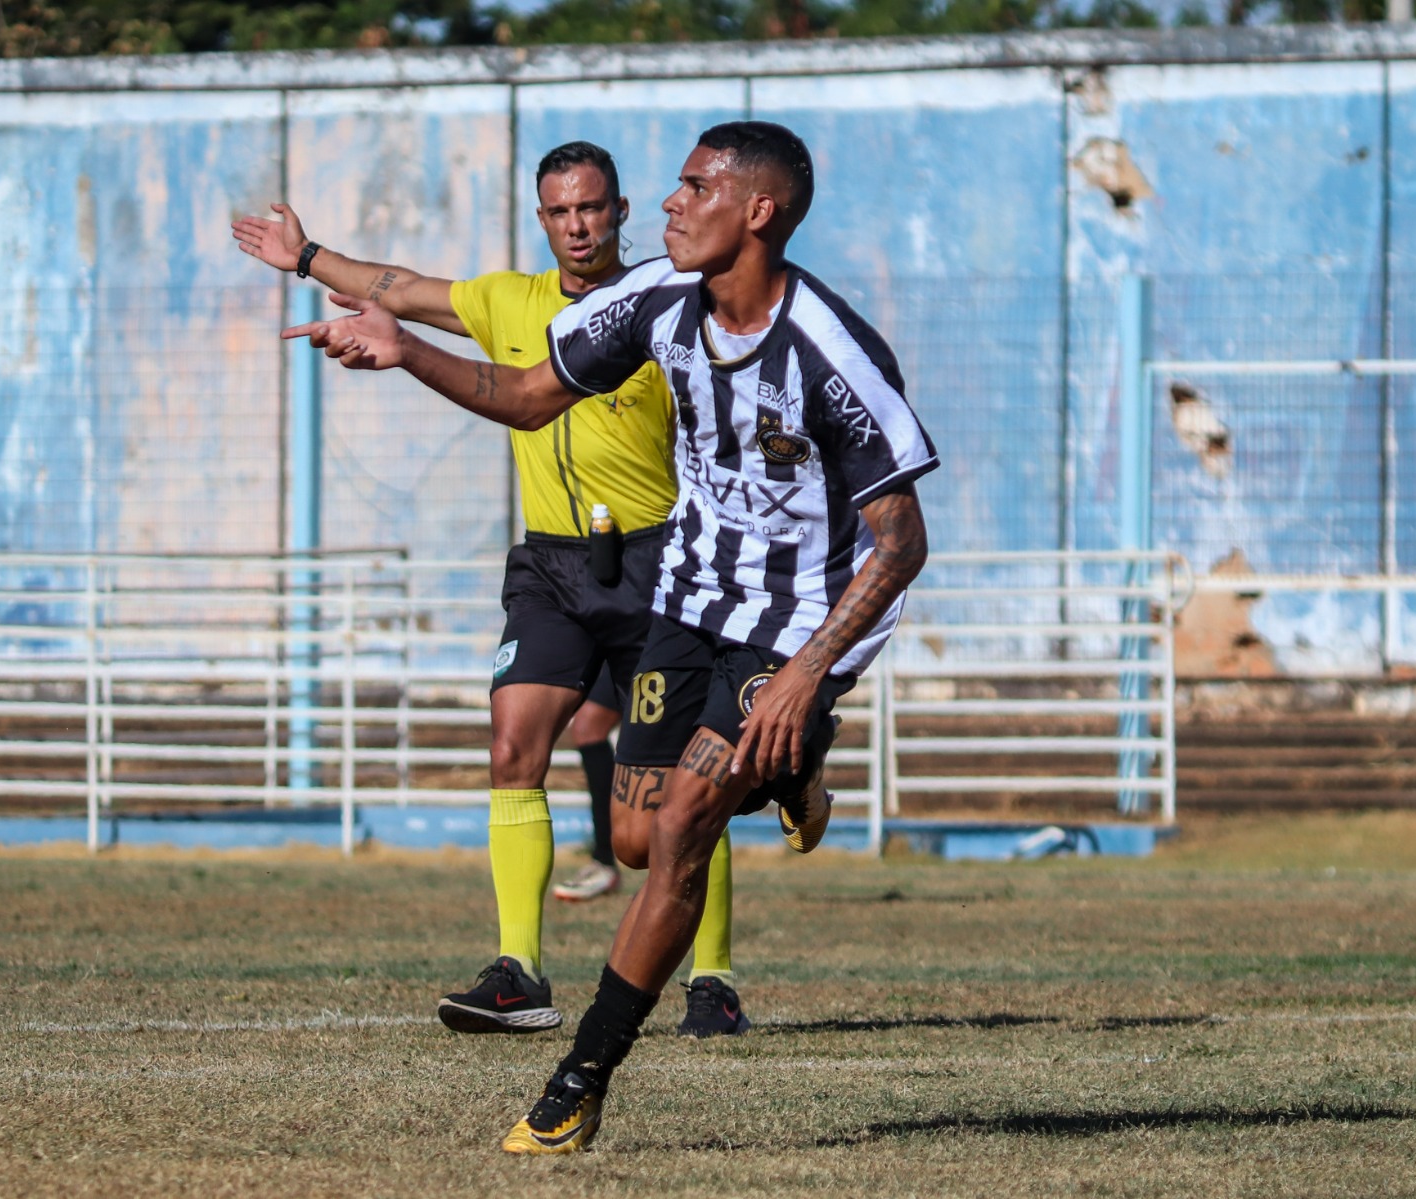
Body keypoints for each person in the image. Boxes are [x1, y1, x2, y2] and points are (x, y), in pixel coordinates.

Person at [281, 120, 936, 1154]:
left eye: (691, 187)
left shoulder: (831, 351)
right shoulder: (653, 305)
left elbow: (899, 545)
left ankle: (578, 1078)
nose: (667, 205)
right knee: (632, 841)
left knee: (678, 831)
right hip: (685, 597)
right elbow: (529, 397)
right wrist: (406, 350)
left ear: (756, 211)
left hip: (795, 622)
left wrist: (805, 678)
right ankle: (791, 773)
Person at [234, 141, 752, 1039]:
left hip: (658, 561)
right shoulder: (508, 300)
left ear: (622, 211)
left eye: (592, 207)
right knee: (513, 744)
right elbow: (402, 287)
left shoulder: (665, 305)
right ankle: (519, 971)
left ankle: (713, 979)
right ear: (543, 218)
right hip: (550, 565)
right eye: (560, 211)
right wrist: (309, 256)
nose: (578, 224)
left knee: (679, 784)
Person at [551, 667, 621, 902]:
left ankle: (680, 867)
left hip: (667, 639)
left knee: (674, 732)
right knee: (588, 726)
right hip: (634, 639)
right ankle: (603, 861)